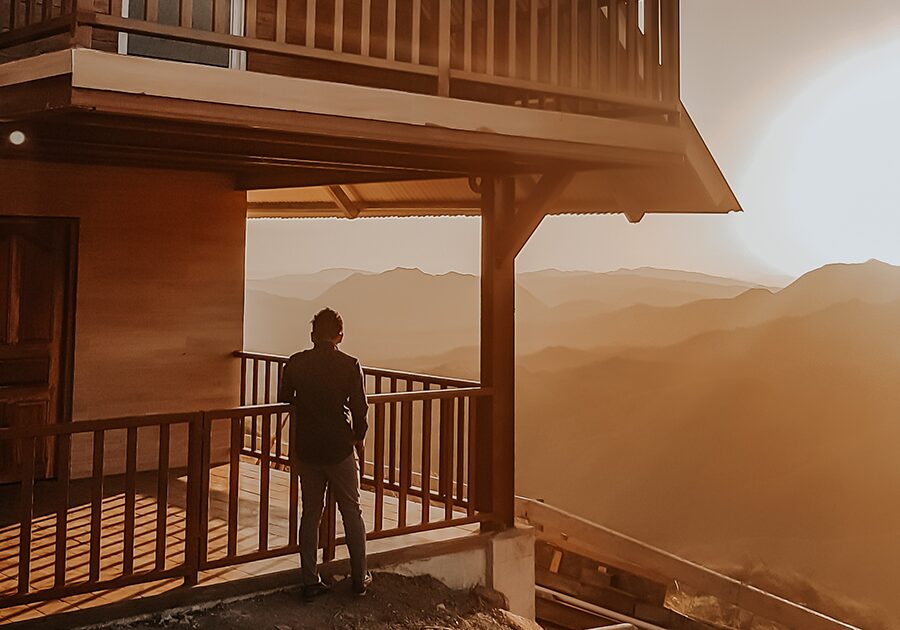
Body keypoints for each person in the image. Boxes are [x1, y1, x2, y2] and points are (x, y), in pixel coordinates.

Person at [278, 307, 372, 600]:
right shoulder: (350, 364)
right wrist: (358, 439)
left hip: (307, 449)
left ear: (312, 335)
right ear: (340, 336)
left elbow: (284, 396)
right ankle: (359, 578)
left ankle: (310, 580)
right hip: (340, 448)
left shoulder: (296, 363)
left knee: (311, 513)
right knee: (351, 512)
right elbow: (360, 409)